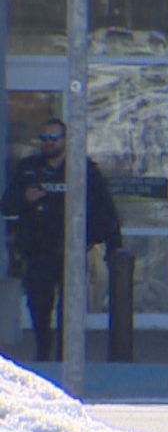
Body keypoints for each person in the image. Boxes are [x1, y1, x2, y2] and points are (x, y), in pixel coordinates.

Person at [1, 119, 122, 361]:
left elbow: (104, 208)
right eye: (44, 138)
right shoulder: (28, 169)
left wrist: (113, 245)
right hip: (38, 249)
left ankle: (66, 355)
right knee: (39, 304)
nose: (48, 143)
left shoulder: (83, 170)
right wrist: (25, 199)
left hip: (73, 249)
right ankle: (44, 349)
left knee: (70, 307)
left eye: (53, 138)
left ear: (65, 141)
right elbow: (7, 205)